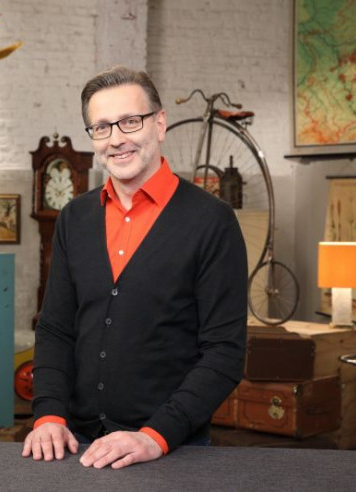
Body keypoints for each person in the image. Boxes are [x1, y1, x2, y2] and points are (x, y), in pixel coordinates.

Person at [21, 66, 247, 469]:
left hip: (170, 448)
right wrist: (49, 414)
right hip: (78, 445)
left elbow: (224, 352)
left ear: (159, 124)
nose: (116, 139)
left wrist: (155, 436)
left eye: (130, 121)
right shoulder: (74, 218)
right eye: (102, 127)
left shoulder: (212, 221)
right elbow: (56, 328)